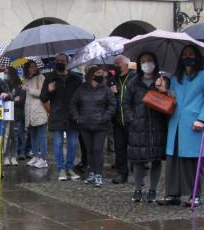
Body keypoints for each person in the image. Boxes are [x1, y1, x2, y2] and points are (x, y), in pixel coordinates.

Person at [157, 45, 204, 207]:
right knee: (174, 160)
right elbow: (173, 97)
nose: (187, 57)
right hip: (176, 123)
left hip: (194, 124)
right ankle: (172, 194)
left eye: (190, 54)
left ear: (197, 56)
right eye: (184, 54)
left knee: (192, 161)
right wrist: (165, 91)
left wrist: (202, 119)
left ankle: (194, 194)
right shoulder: (177, 76)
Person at [122, 52, 169, 203]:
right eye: (143, 61)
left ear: (155, 63)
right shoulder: (133, 82)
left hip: (157, 126)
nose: (147, 63)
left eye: (149, 60)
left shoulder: (162, 81)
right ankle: (137, 189)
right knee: (138, 160)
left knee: (156, 159)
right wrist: (131, 119)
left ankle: (153, 190)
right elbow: (126, 103)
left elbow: (170, 101)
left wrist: (164, 90)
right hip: (138, 126)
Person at [70, 66, 117, 187]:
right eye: (98, 73)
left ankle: (98, 174)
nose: (101, 75)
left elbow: (112, 105)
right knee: (89, 150)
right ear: (91, 75)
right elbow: (73, 103)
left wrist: (105, 117)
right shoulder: (81, 89)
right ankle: (91, 172)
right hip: (85, 124)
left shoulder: (106, 90)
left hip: (101, 125)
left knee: (97, 149)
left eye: (102, 73)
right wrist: (77, 117)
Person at [41, 54, 83, 180]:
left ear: (67, 62)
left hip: (72, 115)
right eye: (58, 61)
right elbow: (43, 98)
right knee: (58, 143)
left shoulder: (75, 78)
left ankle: (69, 167)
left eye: (62, 61)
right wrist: (49, 90)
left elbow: (81, 95)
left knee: (72, 143)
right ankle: (61, 169)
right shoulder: (50, 78)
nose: (60, 62)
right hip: (57, 115)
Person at [110, 55, 135, 184]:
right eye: (115, 63)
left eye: (118, 63)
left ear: (126, 64)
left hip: (131, 120)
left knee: (134, 148)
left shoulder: (134, 78)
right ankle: (121, 173)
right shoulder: (113, 80)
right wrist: (111, 93)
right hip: (118, 120)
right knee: (119, 148)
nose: (116, 66)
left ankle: (137, 175)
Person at [21, 61, 49, 170]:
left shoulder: (40, 77)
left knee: (41, 135)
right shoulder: (26, 79)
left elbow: (42, 93)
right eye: (31, 67)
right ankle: (35, 156)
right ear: (27, 68)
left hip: (39, 110)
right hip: (29, 111)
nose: (33, 68)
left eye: (35, 66)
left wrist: (28, 89)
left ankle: (43, 158)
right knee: (32, 135)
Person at [5, 66, 25, 167]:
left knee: (15, 136)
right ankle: (6, 156)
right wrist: (13, 99)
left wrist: (11, 99)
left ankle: (13, 156)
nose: (5, 75)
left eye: (7, 73)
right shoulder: (4, 85)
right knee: (7, 136)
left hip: (16, 114)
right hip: (6, 114)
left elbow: (21, 100)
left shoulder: (19, 86)